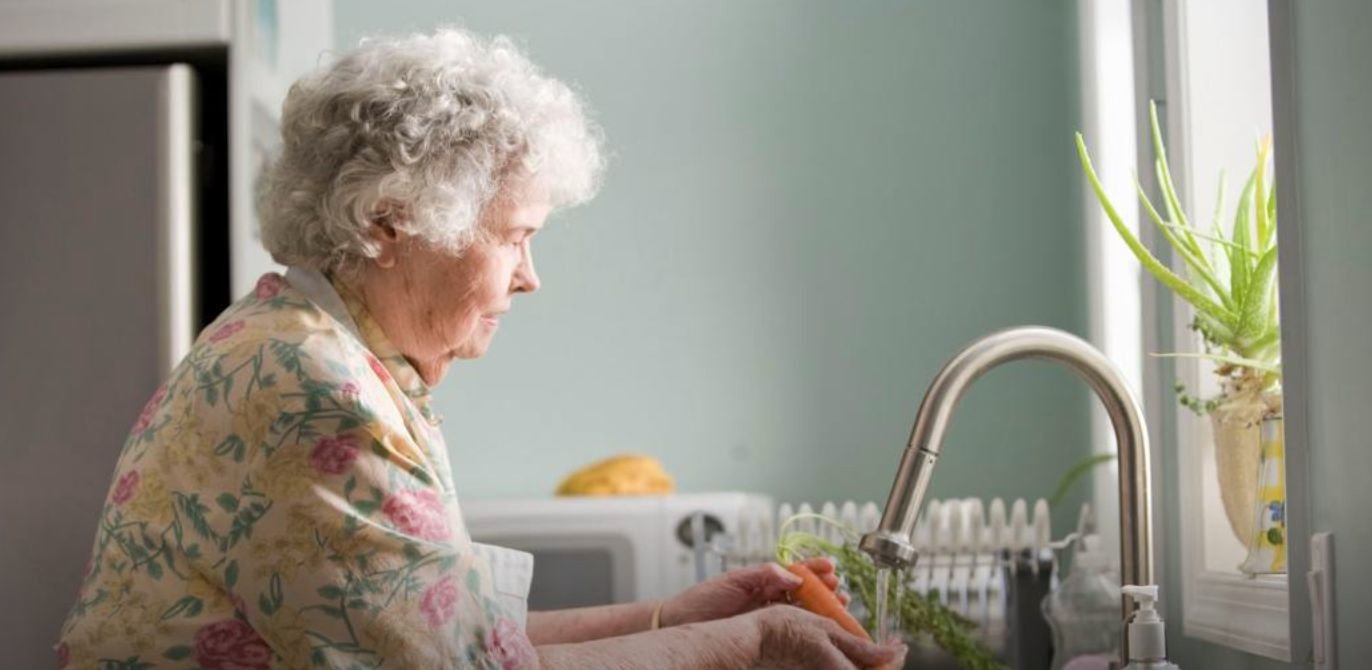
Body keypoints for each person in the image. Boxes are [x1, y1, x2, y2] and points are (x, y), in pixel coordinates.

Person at [57, 27, 908, 670]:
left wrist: (679, 617)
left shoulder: (323, 353)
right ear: (390, 222)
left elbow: (445, 635)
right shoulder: (311, 387)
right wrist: (751, 642)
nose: (530, 277)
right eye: (513, 237)